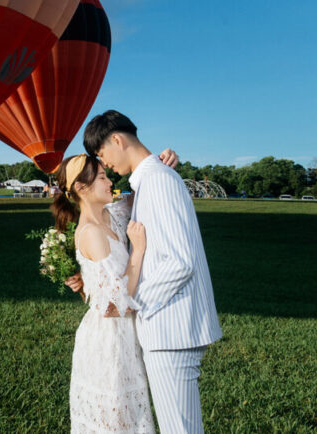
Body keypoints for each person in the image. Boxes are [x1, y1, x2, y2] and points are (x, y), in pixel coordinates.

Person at [83, 110, 222, 434]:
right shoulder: (151, 180)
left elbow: (179, 262)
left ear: (117, 140)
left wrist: (134, 302)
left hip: (170, 329)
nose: (108, 168)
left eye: (104, 155)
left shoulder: (157, 180)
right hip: (169, 327)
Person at [55, 154, 155, 432]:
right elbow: (112, 306)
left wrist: (162, 160)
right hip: (108, 342)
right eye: (101, 177)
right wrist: (138, 251)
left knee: (131, 419)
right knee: (115, 422)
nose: (110, 181)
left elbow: (139, 194)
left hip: (124, 336)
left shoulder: (111, 214)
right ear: (81, 188)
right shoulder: (90, 233)